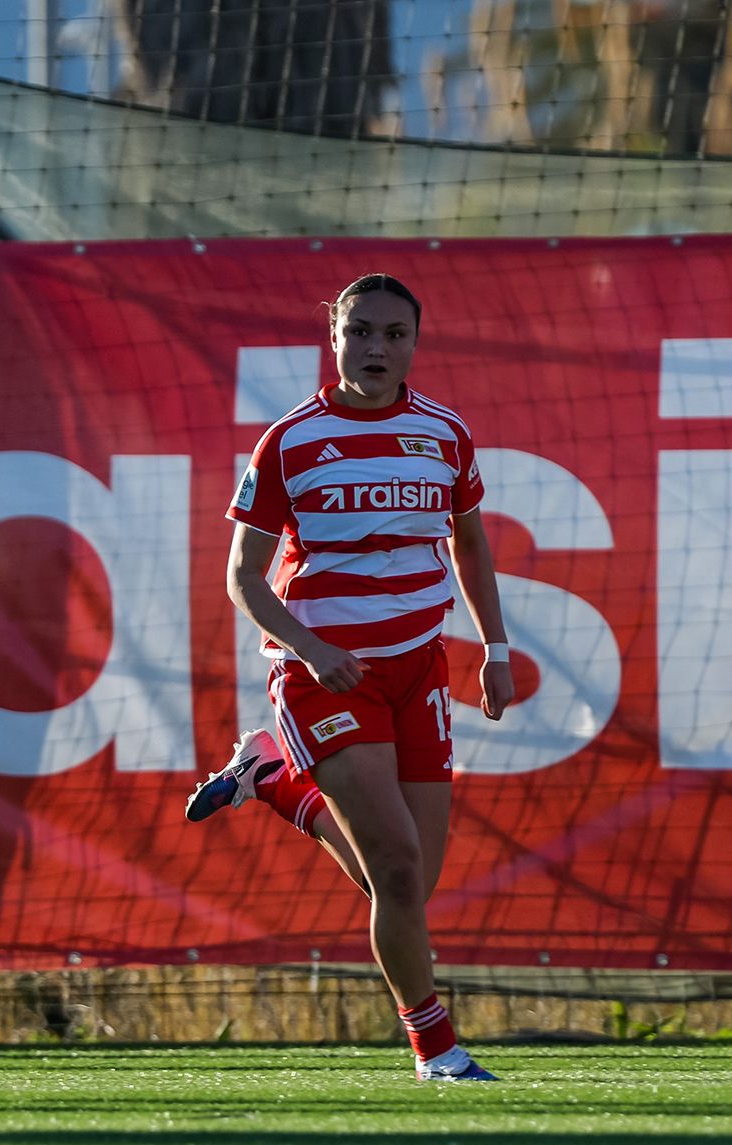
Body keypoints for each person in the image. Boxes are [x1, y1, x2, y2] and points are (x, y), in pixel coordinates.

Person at [185, 273, 514, 1082]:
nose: (376, 347)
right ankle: (436, 1049)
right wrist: (308, 647)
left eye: (394, 334)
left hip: (419, 671)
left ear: (415, 343)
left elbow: (470, 545)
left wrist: (495, 649)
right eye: (360, 331)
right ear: (333, 337)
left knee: (407, 882)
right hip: (325, 677)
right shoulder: (291, 439)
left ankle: (276, 783)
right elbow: (244, 577)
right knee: (397, 869)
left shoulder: (444, 433)